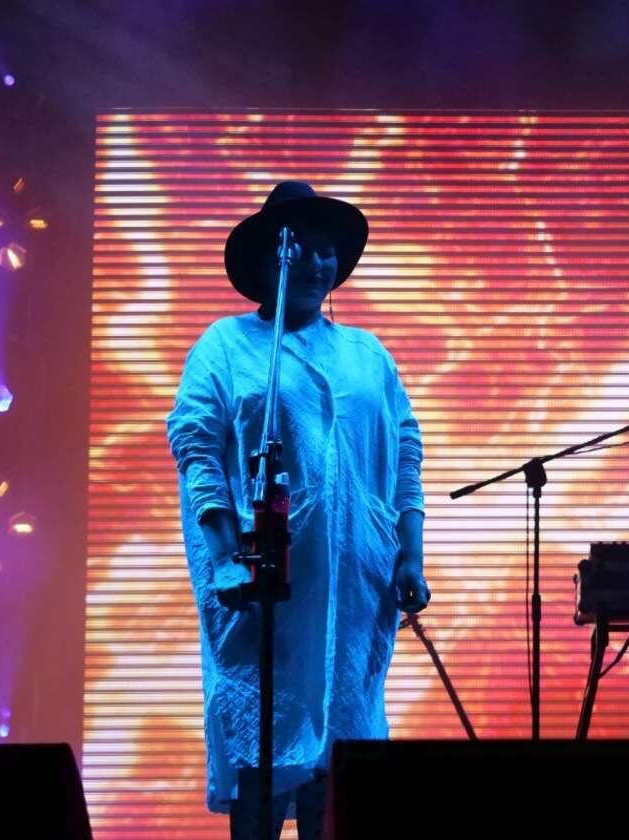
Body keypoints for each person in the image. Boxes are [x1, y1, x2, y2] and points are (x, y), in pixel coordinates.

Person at [166, 181, 429, 839]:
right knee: (261, 750)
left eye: (326, 249)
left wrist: (410, 554)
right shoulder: (227, 345)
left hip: (355, 585)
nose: (316, 263)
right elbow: (197, 447)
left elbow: (404, 451)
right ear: (269, 259)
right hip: (262, 589)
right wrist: (224, 556)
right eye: (300, 248)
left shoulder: (367, 354)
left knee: (338, 767)